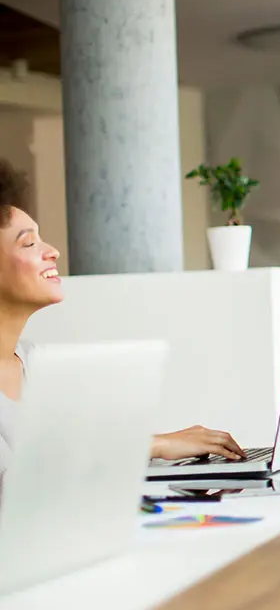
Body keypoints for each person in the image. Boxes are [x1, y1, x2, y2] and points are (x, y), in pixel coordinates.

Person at [0, 162, 246, 489]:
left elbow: (83, 458)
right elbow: (15, 486)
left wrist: (177, 455)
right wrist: (153, 444)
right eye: (30, 243)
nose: (53, 251)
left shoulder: (39, 363)